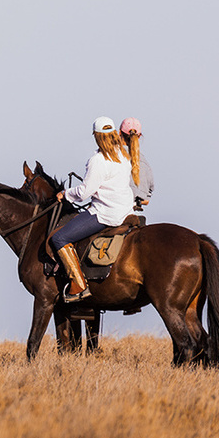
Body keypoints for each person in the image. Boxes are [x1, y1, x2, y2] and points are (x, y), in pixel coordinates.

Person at [52, 116, 135, 302]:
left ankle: (78, 285)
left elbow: (84, 193)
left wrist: (65, 194)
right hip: (126, 210)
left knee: (59, 237)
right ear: (114, 133)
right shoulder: (124, 155)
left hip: (105, 213)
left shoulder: (98, 160)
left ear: (96, 137)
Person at [119, 117, 154, 209]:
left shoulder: (111, 156)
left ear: (119, 133)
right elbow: (147, 199)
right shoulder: (144, 163)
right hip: (134, 211)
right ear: (139, 136)